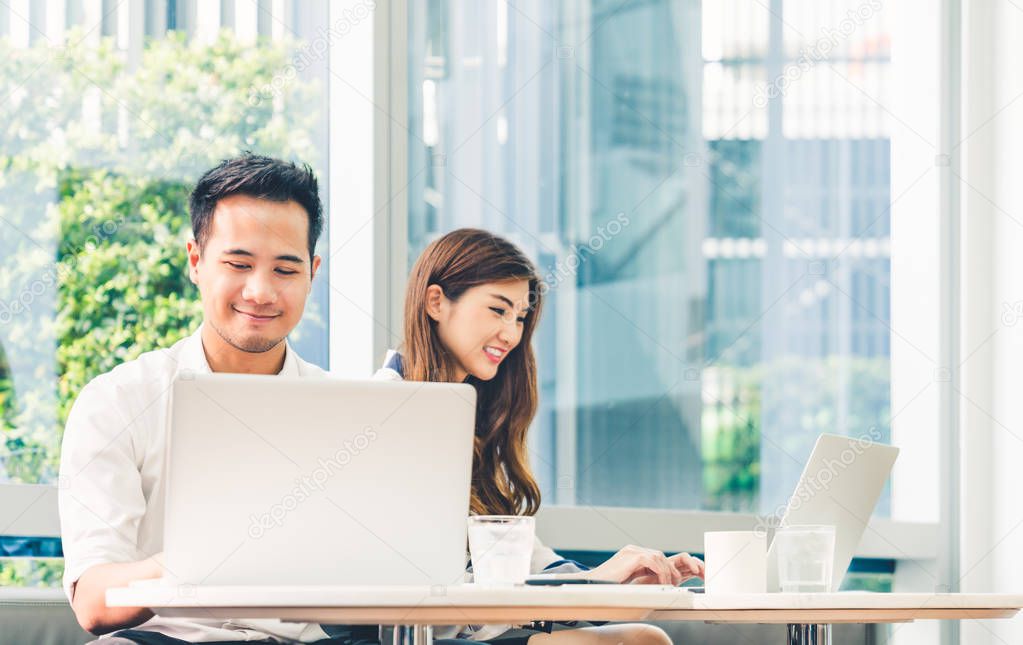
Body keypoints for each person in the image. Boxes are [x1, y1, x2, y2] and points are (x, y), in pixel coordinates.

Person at [58, 154, 367, 644]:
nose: (261, 291)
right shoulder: (118, 401)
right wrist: (205, 560)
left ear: (313, 272)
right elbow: (94, 601)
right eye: (239, 264)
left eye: (286, 269)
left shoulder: (349, 413)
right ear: (196, 261)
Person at [375, 228, 705, 644]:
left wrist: (609, 580)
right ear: (436, 302)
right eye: (498, 311)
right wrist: (590, 587)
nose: (512, 335)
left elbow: (530, 562)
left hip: (462, 630)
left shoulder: (473, 423)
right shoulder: (385, 411)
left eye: (520, 317)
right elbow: (420, 590)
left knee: (642, 637)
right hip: (411, 634)